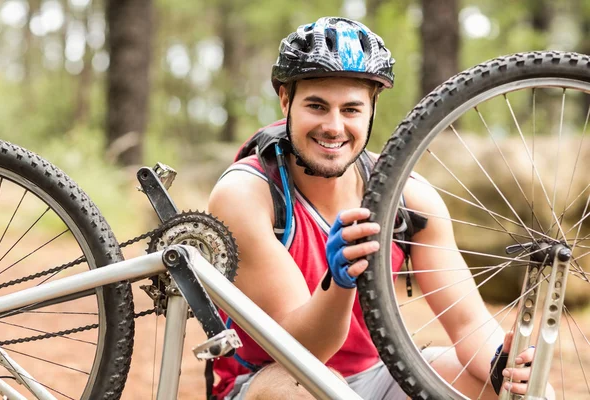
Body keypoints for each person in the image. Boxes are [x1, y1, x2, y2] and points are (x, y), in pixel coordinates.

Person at [208, 16, 544, 400]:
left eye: (351, 109)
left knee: (519, 388)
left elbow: (468, 322)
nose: (333, 127)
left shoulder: (409, 198)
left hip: (375, 378)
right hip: (273, 381)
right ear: (286, 100)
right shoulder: (247, 194)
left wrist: (503, 365)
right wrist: (340, 283)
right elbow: (301, 355)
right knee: (306, 392)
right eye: (317, 106)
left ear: (372, 107)